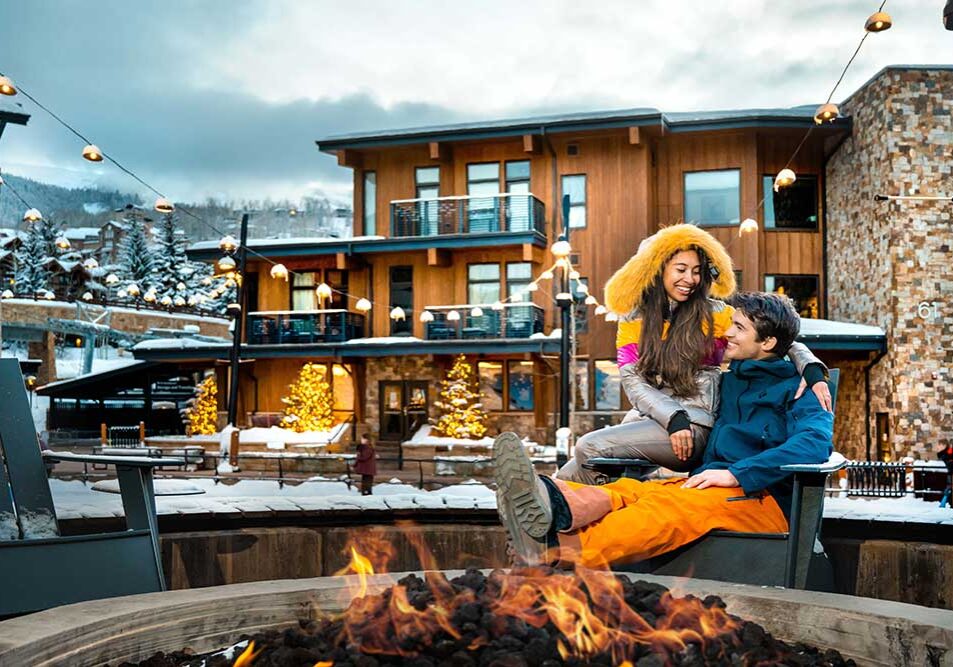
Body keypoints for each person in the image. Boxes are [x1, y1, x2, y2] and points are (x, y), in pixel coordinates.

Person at [496, 292, 834, 568]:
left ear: (767, 341)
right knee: (634, 491)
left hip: (764, 500)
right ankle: (553, 502)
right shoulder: (728, 381)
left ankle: (554, 551)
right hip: (710, 485)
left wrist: (737, 474)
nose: (727, 332)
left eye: (738, 328)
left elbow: (814, 445)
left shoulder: (803, 389)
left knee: (664, 510)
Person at [556, 224, 830, 485]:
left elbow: (774, 336)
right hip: (655, 423)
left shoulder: (714, 314)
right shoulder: (634, 319)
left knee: (588, 447)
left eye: (697, 271)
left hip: (696, 423)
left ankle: (607, 504)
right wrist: (672, 416)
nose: (690, 279)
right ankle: (546, 510)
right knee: (567, 475)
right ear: (657, 269)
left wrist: (811, 367)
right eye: (681, 269)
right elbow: (633, 380)